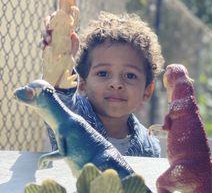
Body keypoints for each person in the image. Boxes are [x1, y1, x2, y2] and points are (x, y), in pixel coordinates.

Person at [42, 11, 164, 157]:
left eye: (130, 75)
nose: (116, 84)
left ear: (147, 91)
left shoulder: (150, 147)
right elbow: (55, 97)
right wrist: (58, 52)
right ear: (82, 83)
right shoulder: (72, 115)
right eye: (103, 73)